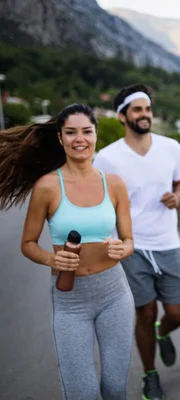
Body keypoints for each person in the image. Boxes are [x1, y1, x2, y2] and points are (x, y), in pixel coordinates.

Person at [0, 104, 135, 400]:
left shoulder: (114, 184)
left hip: (114, 294)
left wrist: (122, 248)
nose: (80, 139)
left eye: (86, 131)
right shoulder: (47, 187)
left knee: (115, 389)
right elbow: (28, 243)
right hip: (70, 300)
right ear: (60, 138)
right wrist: (50, 258)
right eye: (71, 132)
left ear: (96, 135)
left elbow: (128, 240)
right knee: (81, 393)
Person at [93, 84, 180, 400]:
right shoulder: (106, 158)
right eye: (137, 110)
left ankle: (164, 333)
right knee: (144, 312)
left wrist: (178, 196)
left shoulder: (171, 147)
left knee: (177, 313)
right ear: (122, 116)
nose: (145, 115)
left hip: (168, 243)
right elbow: (98, 201)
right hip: (131, 247)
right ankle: (150, 375)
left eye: (147, 109)